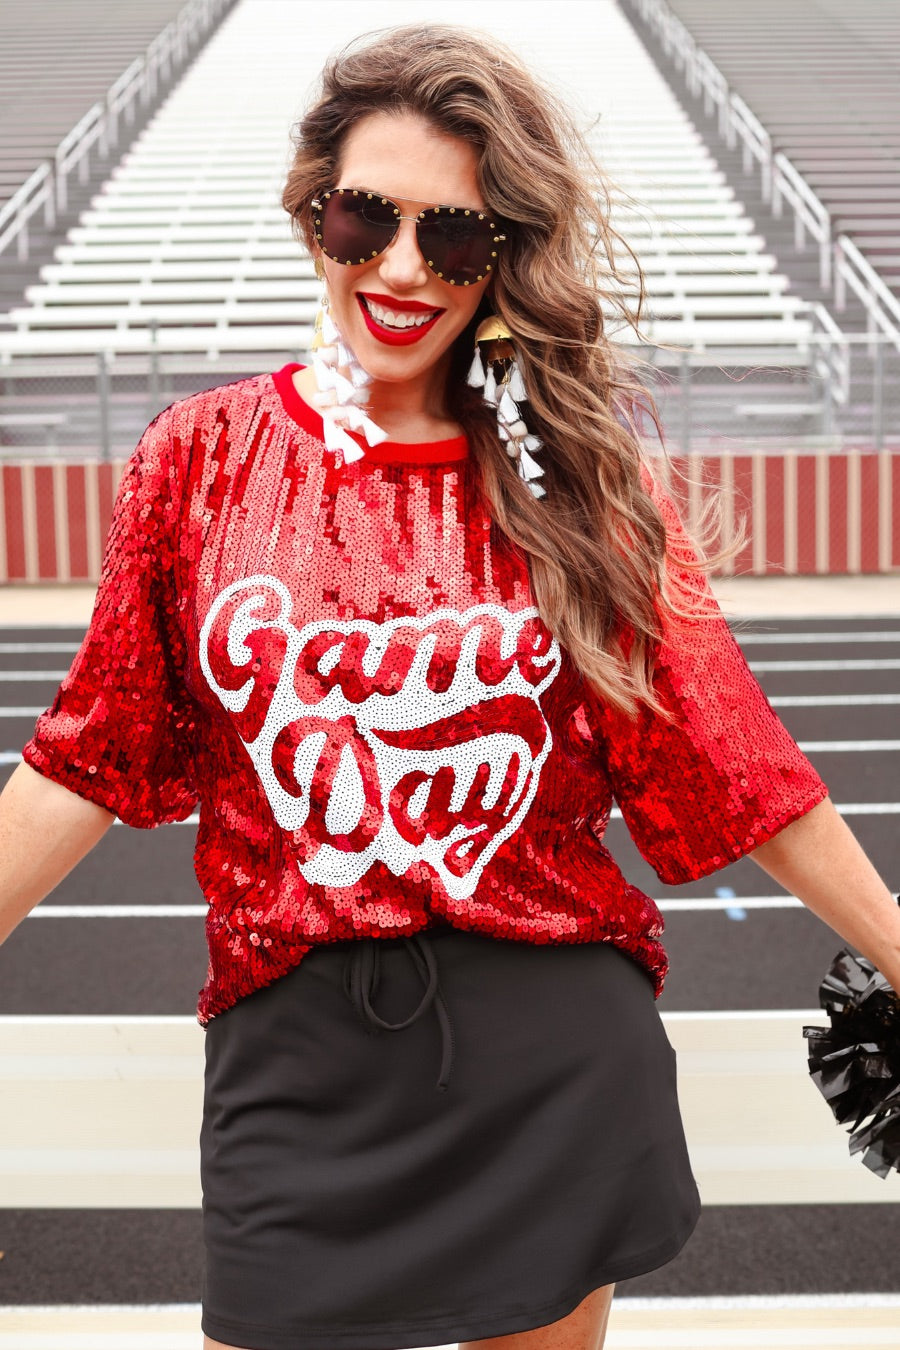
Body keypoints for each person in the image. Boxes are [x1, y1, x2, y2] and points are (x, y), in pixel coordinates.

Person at [1, 22, 898, 1350]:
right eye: (367, 217)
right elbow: (88, 753)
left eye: (458, 236)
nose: (405, 266)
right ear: (314, 213)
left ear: (505, 255)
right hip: (293, 1053)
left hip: (549, 1052)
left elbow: (735, 763)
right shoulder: (198, 459)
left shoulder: (588, 489)